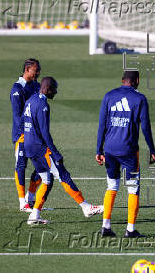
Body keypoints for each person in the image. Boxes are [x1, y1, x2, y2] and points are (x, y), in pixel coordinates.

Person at [24, 77, 103, 225]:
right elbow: (45, 133)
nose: (56, 91)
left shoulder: (31, 100)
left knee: (47, 180)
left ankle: (34, 215)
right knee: (63, 175)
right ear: (47, 89)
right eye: (54, 88)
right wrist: (54, 152)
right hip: (40, 148)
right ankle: (86, 207)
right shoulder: (42, 105)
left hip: (29, 147)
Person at [96, 71, 155, 238]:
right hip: (128, 151)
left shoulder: (109, 96)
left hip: (109, 149)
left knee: (112, 186)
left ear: (122, 81)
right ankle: (130, 229)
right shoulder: (140, 99)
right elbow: (145, 127)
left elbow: (102, 125)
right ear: (137, 81)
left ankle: (105, 226)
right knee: (133, 189)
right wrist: (152, 148)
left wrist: (98, 150)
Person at [10, 58, 42, 212]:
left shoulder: (36, 86)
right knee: (21, 166)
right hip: (22, 135)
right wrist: (26, 132)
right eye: (36, 70)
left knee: (43, 166)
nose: (39, 73)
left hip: (36, 134)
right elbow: (17, 116)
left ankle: (31, 197)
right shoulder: (17, 89)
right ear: (28, 69)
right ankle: (23, 202)